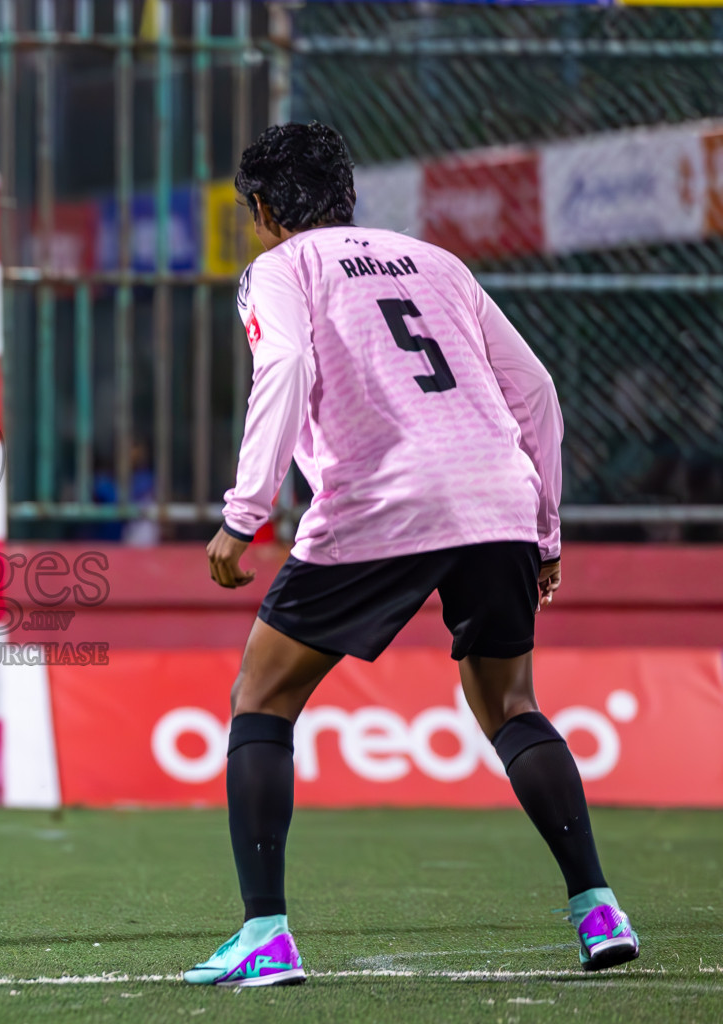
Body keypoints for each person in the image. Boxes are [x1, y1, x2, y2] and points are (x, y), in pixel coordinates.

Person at [188, 122, 637, 987]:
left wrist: (244, 513)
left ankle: (265, 935)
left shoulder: (282, 268)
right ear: (348, 195)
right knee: (511, 706)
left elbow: (281, 364)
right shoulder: (437, 261)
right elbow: (536, 389)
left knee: (262, 695)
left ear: (263, 207)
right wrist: (545, 529)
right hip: (496, 492)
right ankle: (598, 908)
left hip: (385, 497)